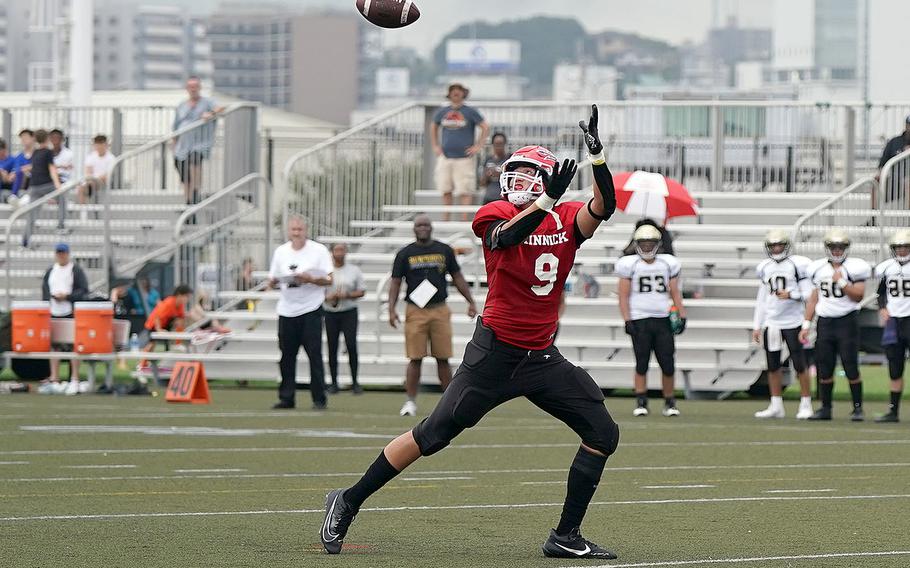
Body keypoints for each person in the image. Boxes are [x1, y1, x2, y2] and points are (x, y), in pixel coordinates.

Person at [321, 105, 620, 559]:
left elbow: (605, 206)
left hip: (540, 356)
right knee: (432, 436)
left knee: (603, 432)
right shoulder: (495, 212)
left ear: (547, 179)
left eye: (527, 174)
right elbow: (504, 238)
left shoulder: (567, 218)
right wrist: (544, 202)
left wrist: (597, 157)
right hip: (495, 355)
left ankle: (565, 536)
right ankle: (348, 499)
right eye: (513, 173)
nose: (516, 181)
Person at [389, 214, 478, 417]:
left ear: (431, 228)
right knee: (415, 357)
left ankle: (449, 401)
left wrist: (470, 301)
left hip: (439, 308)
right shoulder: (405, 253)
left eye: (426, 225)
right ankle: (410, 402)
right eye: (419, 225)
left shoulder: (444, 250)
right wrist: (391, 309)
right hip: (415, 310)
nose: (423, 228)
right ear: (414, 228)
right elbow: (395, 282)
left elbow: (457, 277)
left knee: (443, 357)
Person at [799, 230, 871, 421]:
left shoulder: (855, 267)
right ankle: (825, 408)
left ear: (846, 248)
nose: (837, 251)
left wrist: (841, 281)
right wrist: (806, 323)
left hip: (847, 321)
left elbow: (858, 295)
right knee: (824, 367)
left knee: (850, 365)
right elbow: (813, 298)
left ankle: (857, 408)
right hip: (825, 323)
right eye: (833, 247)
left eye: (841, 247)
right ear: (827, 248)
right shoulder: (817, 268)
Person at [616, 224, 687, 417]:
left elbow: (674, 291)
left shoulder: (667, 263)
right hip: (639, 319)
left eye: (650, 243)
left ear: (658, 244)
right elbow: (623, 295)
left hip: (662, 318)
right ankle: (641, 401)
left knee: (667, 363)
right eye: (643, 243)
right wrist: (627, 319)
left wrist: (682, 313)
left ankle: (670, 402)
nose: (647, 247)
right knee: (641, 362)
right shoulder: (630, 264)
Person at [267, 216, 333, 410]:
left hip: (311, 308)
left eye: (300, 229)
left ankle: (319, 398)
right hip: (286, 310)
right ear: (288, 231)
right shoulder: (281, 252)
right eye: (293, 229)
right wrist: (275, 281)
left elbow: (329, 279)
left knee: (314, 355)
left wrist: (310, 279)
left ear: (306, 230)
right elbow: (272, 278)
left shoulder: (318, 250)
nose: (296, 233)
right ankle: (286, 397)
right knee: (286, 355)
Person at [751, 229, 814, 420]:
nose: (777, 249)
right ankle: (776, 404)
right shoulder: (765, 267)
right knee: (772, 366)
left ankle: (806, 403)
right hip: (772, 323)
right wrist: (757, 325)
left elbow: (809, 294)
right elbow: (762, 299)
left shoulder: (797, 265)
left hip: (793, 322)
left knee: (800, 365)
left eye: (780, 245)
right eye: (773, 246)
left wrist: (791, 295)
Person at [430, 83, 490, 221]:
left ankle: (464, 220)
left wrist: (478, 146)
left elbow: (485, 127)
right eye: (453, 91)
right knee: (445, 188)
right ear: (449, 94)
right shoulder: (442, 111)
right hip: (445, 156)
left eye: (459, 91)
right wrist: (435, 145)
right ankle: (446, 219)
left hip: (465, 158)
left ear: (463, 94)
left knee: (465, 190)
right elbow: (433, 125)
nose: (456, 93)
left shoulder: (470, 111)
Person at [40, 243, 88, 394]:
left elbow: (84, 290)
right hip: (54, 311)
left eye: (63, 253)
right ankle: (54, 377)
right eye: (59, 253)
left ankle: (74, 378)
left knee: (75, 345)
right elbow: (45, 291)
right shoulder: (51, 270)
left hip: (70, 311)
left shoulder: (75, 270)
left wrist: (67, 296)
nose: (61, 255)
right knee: (54, 345)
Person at [873, 229, 910, 423]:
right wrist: (883, 308)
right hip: (894, 322)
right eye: (898, 247)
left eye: (905, 247)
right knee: (895, 368)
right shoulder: (887, 267)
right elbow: (880, 293)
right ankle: (893, 411)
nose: (902, 251)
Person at [173, 76, 224, 205]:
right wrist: (174, 144)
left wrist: (210, 113)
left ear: (200, 88)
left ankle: (196, 192)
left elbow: (221, 108)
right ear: (187, 88)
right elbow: (175, 126)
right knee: (185, 175)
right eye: (190, 87)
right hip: (182, 146)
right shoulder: (182, 105)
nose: (193, 89)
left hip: (199, 144)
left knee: (194, 161)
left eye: (195, 86)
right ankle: (188, 201)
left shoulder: (207, 102)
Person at [323, 243, 366, 395]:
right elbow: (319, 290)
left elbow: (361, 291)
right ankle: (333, 383)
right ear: (331, 252)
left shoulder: (354, 270)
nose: (339, 253)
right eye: (336, 250)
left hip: (349, 311)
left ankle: (355, 382)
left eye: (342, 250)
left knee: (351, 346)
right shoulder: (326, 270)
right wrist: (328, 297)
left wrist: (347, 295)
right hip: (330, 312)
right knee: (332, 347)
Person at [20, 130, 65, 248]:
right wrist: (58, 186)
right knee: (62, 197)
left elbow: (36, 166)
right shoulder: (48, 152)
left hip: (34, 187)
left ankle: (24, 243)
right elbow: (52, 169)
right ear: (47, 139)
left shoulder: (36, 152)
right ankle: (61, 226)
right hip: (46, 185)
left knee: (32, 216)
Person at [78, 135, 118, 206]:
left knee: (90, 183)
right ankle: (83, 209)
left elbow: (107, 175)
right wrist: (92, 178)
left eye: (101, 143)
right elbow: (88, 172)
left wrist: (95, 178)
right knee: (81, 187)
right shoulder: (91, 156)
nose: (99, 146)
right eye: (97, 144)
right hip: (91, 181)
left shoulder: (111, 158)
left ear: (106, 145)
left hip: (104, 183)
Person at [479, 132, 509, 205]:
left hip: (504, 197)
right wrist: (487, 174)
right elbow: (482, 183)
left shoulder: (509, 159)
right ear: (493, 145)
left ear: (505, 144)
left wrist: (501, 173)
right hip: (489, 197)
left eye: (501, 144)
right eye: (496, 144)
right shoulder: (488, 160)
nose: (499, 147)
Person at [8, 129, 35, 203]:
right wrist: (13, 173)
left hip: (34, 180)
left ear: (33, 138)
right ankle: (14, 196)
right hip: (22, 181)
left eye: (26, 138)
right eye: (22, 139)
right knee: (18, 173)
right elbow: (15, 169)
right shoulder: (19, 156)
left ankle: (15, 196)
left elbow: (38, 166)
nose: (24, 140)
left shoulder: (38, 153)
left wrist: (26, 168)